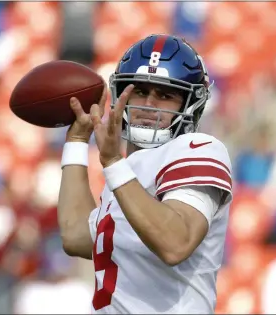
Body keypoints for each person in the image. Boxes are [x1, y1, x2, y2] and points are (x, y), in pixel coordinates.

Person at [57, 34, 233, 314]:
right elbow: (75, 235)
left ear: (190, 104)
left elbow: (175, 243)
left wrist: (114, 162)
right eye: (139, 91)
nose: (149, 104)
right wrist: (77, 142)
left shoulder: (198, 149)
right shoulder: (128, 172)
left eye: (165, 95)